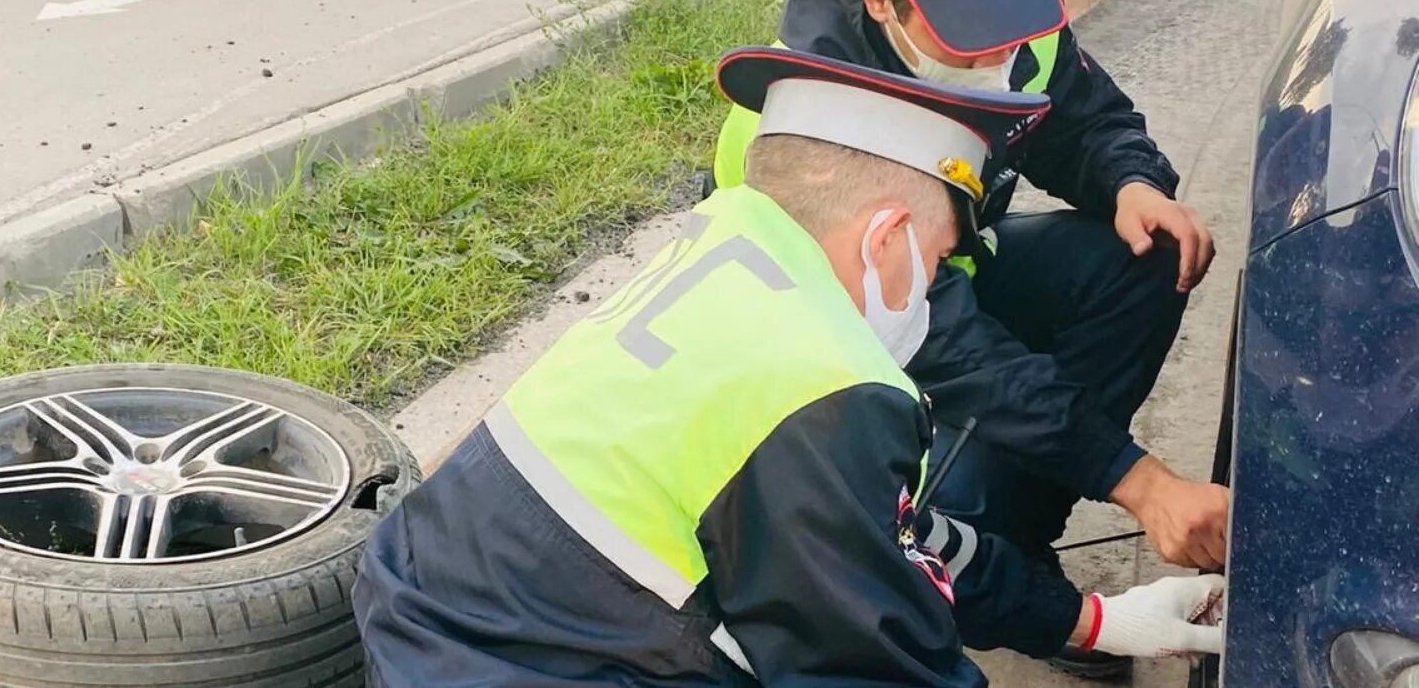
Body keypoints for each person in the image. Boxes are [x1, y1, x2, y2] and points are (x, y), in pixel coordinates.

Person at [352, 45, 1225, 687]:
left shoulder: (730, 246)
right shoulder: (828, 384)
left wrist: (1098, 621)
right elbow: (875, 666)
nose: (931, 290)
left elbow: (896, 543)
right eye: (936, 255)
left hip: (442, 615)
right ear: (886, 236)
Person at [707, 0, 1226, 676]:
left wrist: (1133, 182)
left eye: (1009, 25)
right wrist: (1138, 481)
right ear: (881, 3)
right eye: (968, 40)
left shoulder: (1014, 33)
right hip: (853, 355)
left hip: (955, 277)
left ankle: (1023, 559)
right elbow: (943, 344)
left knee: (1145, 254)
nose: (998, 61)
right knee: (943, 516)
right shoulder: (814, 131)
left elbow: (1090, 120)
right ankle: (988, 580)